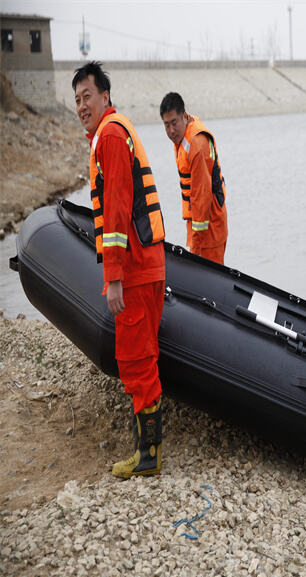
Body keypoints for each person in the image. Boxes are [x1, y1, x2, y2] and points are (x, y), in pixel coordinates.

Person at [72, 61, 166, 479]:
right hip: (147, 263)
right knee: (141, 356)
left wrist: (113, 278)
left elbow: (116, 210)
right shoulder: (116, 131)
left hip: (135, 269)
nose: (81, 105)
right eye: (76, 99)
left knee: (135, 358)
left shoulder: (110, 135)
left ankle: (149, 455)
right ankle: (148, 449)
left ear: (105, 96)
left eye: (87, 96)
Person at [159, 92, 228, 263]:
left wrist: (195, 249)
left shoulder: (196, 145)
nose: (171, 130)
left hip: (209, 230)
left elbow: (201, 197)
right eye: (166, 125)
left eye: (174, 123)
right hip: (201, 227)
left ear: (184, 116)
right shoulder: (186, 133)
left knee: (209, 283)